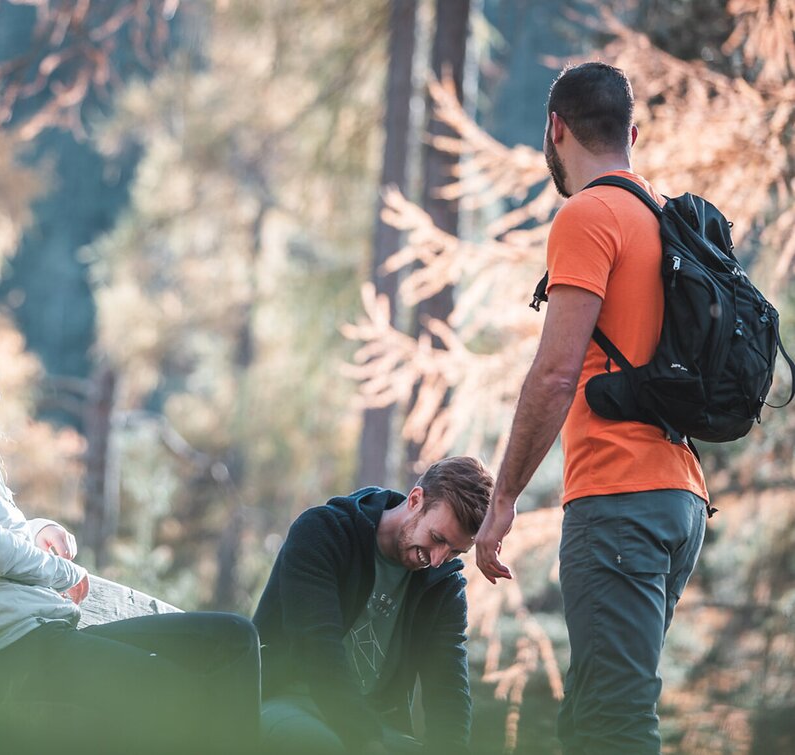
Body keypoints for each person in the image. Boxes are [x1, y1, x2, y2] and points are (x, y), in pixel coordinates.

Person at [473, 62, 709, 755]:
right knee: (589, 717)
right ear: (630, 134)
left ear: (555, 129)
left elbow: (553, 373)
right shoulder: (665, 221)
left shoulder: (588, 215)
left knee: (612, 721)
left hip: (619, 497)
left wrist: (504, 498)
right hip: (678, 498)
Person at [0, 329, 260, 749]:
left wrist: (37, 527)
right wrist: (66, 572)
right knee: (185, 695)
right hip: (18, 652)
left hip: (53, 636)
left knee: (233, 637)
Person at [252, 456, 494, 754]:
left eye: (456, 551)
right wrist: (366, 741)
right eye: (437, 538)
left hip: (380, 726)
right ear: (416, 499)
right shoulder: (322, 533)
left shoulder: (445, 587)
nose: (437, 559)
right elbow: (318, 650)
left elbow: (448, 690)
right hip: (287, 703)